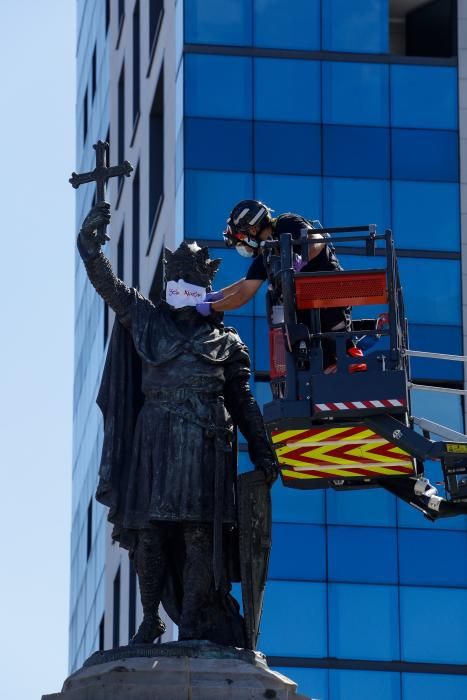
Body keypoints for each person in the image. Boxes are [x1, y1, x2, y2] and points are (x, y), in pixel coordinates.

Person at [78, 201, 278, 647]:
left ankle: (191, 622)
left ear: (205, 287)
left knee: (197, 534)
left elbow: (243, 401)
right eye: (177, 279)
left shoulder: (227, 341)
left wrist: (264, 450)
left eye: (190, 280)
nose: (182, 286)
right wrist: (90, 249)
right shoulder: (147, 320)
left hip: (206, 443)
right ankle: (151, 619)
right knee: (149, 533)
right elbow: (110, 287)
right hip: (155, 438)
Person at [196, 199, 365, 372]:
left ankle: (350, 357)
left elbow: (317, 238)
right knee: (314, 352)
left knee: (335, 334)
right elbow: (245, 289)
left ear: (253, 229)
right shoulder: (269, 253)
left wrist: (301, 258)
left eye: (240, 237)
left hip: (329, 291)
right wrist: (215, 297)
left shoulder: (286, 223)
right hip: (306, 307)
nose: (242, 244)